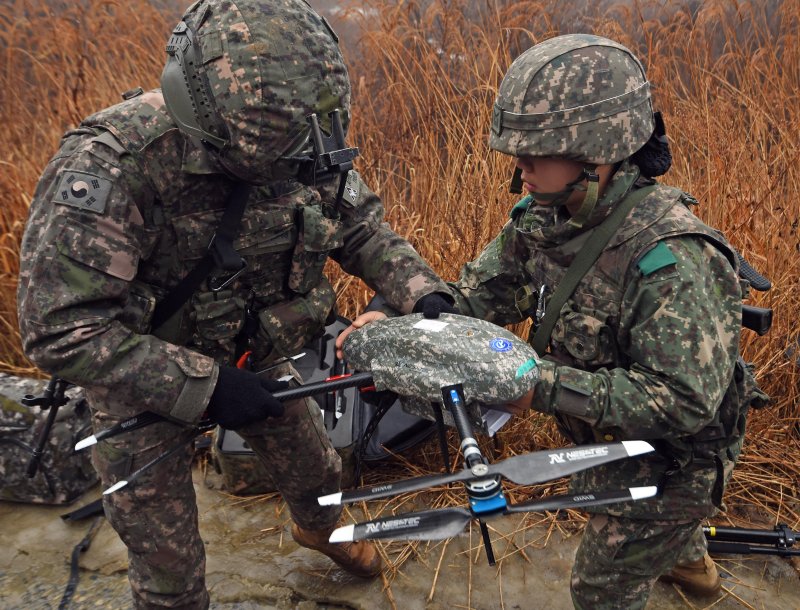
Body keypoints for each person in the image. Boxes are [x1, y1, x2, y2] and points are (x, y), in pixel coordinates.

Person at [16, 0, 455, 607]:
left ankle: (320, 532)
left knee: (322, 480)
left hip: (251, 358)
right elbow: (60, 329)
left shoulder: (301, 135)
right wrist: (207, 388)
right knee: (171, 578)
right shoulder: (114, 166)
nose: (288, 169)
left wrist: (421, 291)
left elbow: (359, 227)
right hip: (141, 383)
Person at [337, 34, 766, 609]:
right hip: (602, 438)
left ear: (597, 155)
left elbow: (684, 403)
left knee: (600, 589)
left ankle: (676, 546)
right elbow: (478, 295)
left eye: (535, 155)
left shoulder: (673, 260)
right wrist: (395, 323)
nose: (521, 168)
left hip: (677, 458)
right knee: (658, 543)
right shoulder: (545, 217)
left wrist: (535, 387)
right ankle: (692, 571)